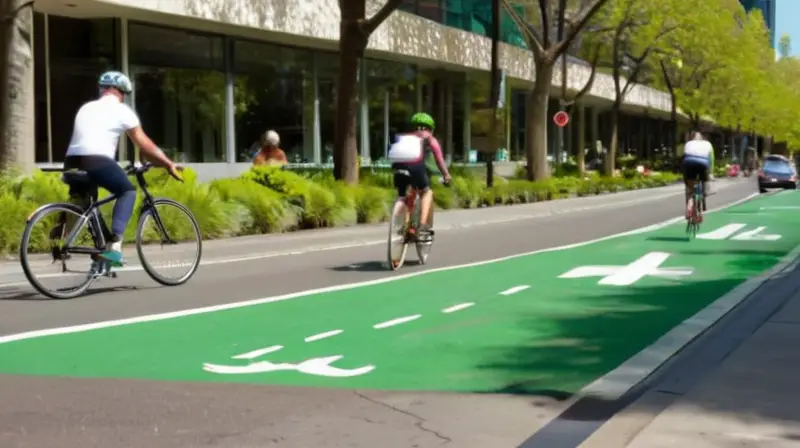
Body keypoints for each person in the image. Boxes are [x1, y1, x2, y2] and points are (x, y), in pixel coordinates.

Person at [63, 70, 182, 267]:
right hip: (97, 161)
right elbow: (144, 144)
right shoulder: (122, 110)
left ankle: (72, 242)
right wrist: (168, 163)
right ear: (122, 92)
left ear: (103, 90)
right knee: (127, 191)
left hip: (71, 162)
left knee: (86, 204)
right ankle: (115, 247)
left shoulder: (86, 108)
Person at [387, 112, 451, 239]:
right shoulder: (429, 138)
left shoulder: (403, 137)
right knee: (427, 192)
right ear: (430, 128)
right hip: (416, 168)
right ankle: (421, 227)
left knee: (405, 195)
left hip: (398, 168)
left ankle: (406, 227)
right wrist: (446, 175)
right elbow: (439, 159)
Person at [681, 131, 715, 221]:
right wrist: (710, 173)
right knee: (703, 184)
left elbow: (684, 156)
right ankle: (703, 196)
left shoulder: (688, 143)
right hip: (702, 164)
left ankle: (689, 207)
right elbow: (711, 159)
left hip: (688, 163)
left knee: (689, 188)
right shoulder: (707, 144)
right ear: (701, 138)